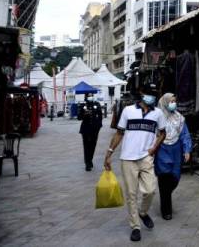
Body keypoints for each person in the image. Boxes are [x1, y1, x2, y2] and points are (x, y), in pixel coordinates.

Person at [104, 89, 167, 242]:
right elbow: (119, 133)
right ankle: (135, 227)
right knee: (131, 194)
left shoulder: (158, 113)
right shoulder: (128, 110)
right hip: (127, 158)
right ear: (141, 94)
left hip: (146, 157)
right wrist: (109, 152)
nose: (151, 96)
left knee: (150, 190)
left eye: (154, 93)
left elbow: (163, 133)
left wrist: (154, 148)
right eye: (149, 93)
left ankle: (143, 212)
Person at [155, 93, 192, 220]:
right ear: (165, 102)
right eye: (171, 101)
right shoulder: (156, 117)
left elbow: (185, 135)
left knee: (175, 178)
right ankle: (166, 210)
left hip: (176, 151)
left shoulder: (179, 118)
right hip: (161, 149)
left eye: (174, 101)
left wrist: (187, 150)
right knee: (164, 178)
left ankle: (165, 196)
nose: (173, 104)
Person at [78, 93, 102, 171]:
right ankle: (87, 163)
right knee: (86, 146)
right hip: (85, 128)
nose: (90, 97)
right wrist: (84, 114)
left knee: (93, 145)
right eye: (89, 96)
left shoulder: (97, 104)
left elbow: (100, 116)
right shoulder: (83, 105)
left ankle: (90, 159)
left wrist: (99, 126)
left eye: (91, 96)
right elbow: (79, 117)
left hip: (95, 128)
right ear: (86, 97)